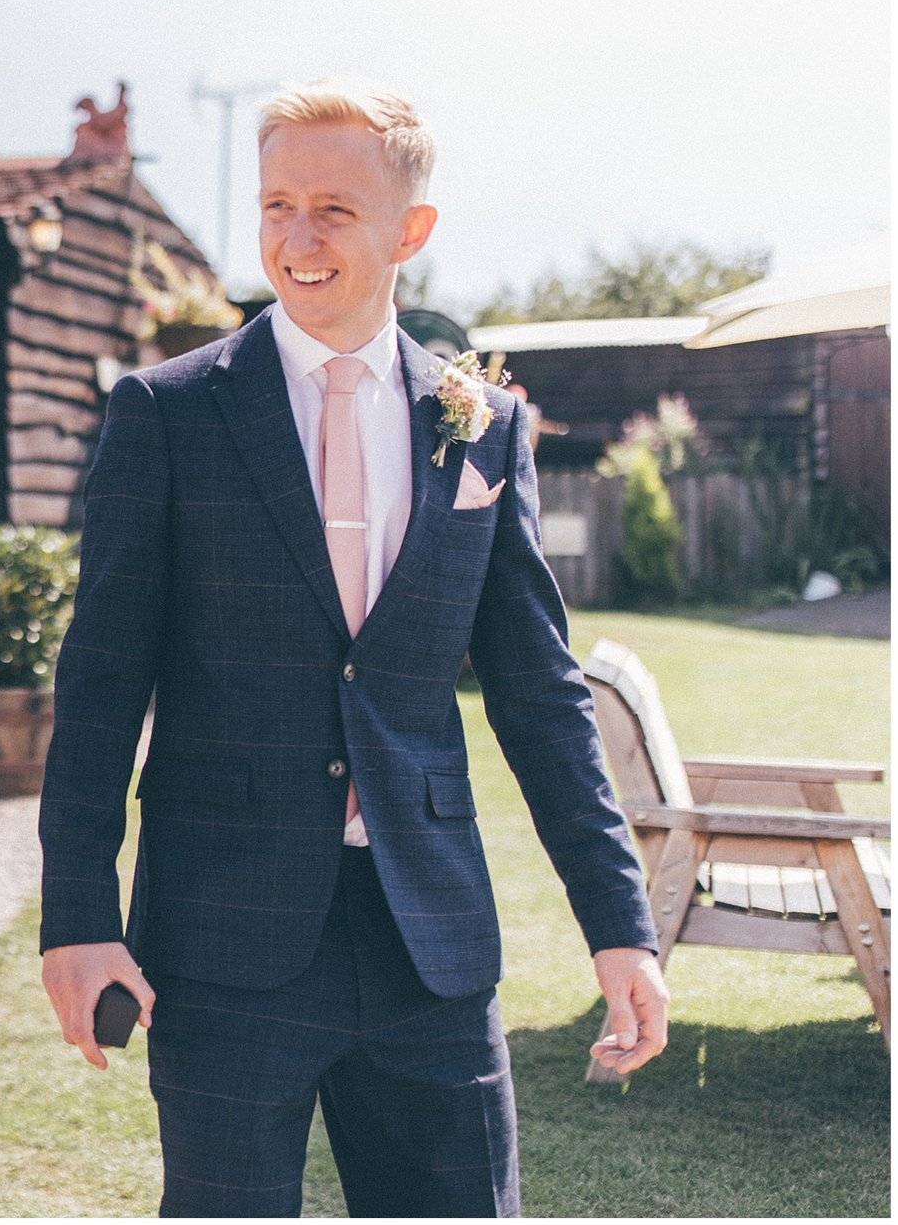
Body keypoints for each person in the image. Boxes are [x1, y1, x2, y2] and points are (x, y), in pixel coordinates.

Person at [36, 79, 669, 1217]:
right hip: (223, 939)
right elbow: (99, 684)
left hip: (429, 945)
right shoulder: (166, 415)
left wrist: (620, 927)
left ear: (408, 232)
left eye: (333, 207)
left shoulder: (483, 426)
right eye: (278, 204)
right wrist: (77, 913)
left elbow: (537, 695)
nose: (297, 236)